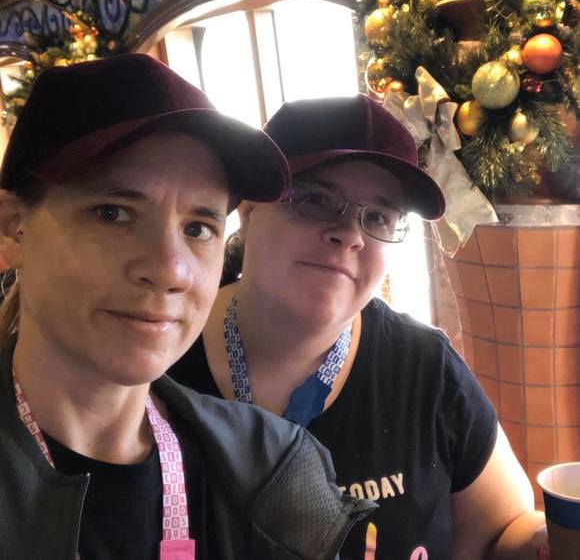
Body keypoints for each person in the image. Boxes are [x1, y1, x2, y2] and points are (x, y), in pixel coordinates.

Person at [0, 54, 376, 560]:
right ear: (13, 229)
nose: (170, 270)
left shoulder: (272, 471)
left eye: (198, 228)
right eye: (112, 213)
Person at [169, 94, 548, 560]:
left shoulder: (424, 367)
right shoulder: (159, 356)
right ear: (248, 211)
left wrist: (551, 540)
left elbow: (505, 529)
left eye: (379, 217)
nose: (349, 234)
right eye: (314, 200)